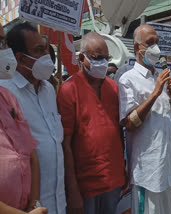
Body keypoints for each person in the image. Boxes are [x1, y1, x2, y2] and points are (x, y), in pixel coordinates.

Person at [0, 22, 66, 214]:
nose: (47, 56)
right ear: (20, 59)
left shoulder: (49, 91)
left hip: (54, 202)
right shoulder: (7, 91)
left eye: (46, 49)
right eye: (39, 51)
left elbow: (34, 151)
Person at [57, 32, 126, 214]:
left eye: (106, 58)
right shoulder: (68, 90)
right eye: (97, 58)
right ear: (82, 57)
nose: (103, 63)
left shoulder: (113, 88)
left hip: (114, 179)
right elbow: (66, 144)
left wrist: (123, 170)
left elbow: (119, 132)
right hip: (85, 185)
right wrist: (72, 190)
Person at [118, 24, 171, 214]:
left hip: (167, 170)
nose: (156, 48)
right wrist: (154, 94)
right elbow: (129, 124)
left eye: (157, 43)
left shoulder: (159, 78)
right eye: (149, 43)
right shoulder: (128, 79)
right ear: (137, 48)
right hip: (147, 174)